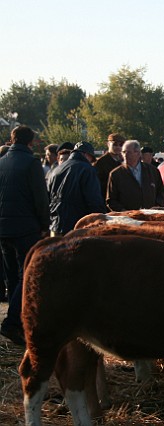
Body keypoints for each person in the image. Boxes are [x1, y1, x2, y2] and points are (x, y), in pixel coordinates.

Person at [0, 126, 49, 345]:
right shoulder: (31, 164)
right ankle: (12, 323)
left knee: (12, 275)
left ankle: (15, 322)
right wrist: (44, 224)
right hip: (25, 227)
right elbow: (40, 198)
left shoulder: (1, 162)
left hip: (3, 228)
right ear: (31, 142)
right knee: (26, 275)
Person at [48, 142, 106, 236]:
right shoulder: (87, 170)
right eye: (91, 158)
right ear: (86, 155)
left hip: (55, 225)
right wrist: (101, 219)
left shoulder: (56, 170)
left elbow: (48, 198)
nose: (91, 161)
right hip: (78, 226)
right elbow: (94, 200)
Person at [106, 140, 164, 211]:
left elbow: (161, 192)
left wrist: (158, 205)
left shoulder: (152, 171)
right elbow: (111, 200)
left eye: (129, 152)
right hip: (127, 218)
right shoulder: (116, 174)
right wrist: (123, 212)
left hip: (151, 216)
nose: (125, 155)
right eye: (124, 152)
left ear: (138, 153)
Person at [95, 133, 125, 199]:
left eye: (121, 145)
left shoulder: (123, 161)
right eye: (115, 144)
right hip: (106, 199)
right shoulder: (100, 163)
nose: (118, 147)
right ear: (108, 144)